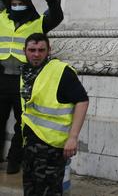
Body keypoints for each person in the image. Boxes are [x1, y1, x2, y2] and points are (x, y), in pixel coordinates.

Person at [0, 0, 63, 174]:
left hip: (24, 79)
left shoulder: (38, 22)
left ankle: (14, 159)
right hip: (2, 78)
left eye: (20, 4)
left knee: (22, 122)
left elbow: (57, 16)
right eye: (13, 4)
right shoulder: (2, 17)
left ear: (27, 5)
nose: (16, 7)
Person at [20, 33, 88, 196]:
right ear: (24, 51)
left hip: (51, 147)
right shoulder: (26, 71)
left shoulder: (61, 71)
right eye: (32, 50)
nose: (36, 54)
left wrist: (73, 137)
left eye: (41, 50)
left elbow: (82, 101)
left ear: (49, 50)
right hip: (30, 144)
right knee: (31, 190)